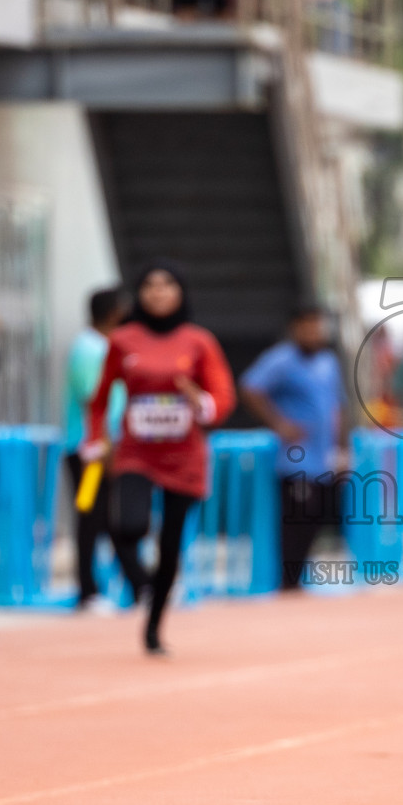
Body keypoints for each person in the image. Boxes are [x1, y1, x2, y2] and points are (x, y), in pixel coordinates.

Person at [85, 263, 235, 655]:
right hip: (137, 451)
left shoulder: (199, 342)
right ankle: (141, 581)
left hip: (183, 455)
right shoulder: (123, 340)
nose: (158, 292)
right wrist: (94, 439)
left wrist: (200, 403)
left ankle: (153, 627)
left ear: (181, 292)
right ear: (140, 294)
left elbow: (223, 396)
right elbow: (99, 399)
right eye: (150, 285)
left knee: (170, 545)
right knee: (127, 524)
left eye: (167, 285)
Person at [241, 306, 348, 592]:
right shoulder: (281, 360)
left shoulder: (328, 361)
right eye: (308, 327)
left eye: (318, 327)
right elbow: (251, 388)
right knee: (296, 518)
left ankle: (297, 577)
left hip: (322, 455)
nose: (314, 333)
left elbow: (337, 407)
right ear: (295, 328)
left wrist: (341, 447)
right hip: (295, 457)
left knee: (316, 516)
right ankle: (288, 581)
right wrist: (279, 423)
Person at [64, 287, 128, 607]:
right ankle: (87, 590)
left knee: (108, 515)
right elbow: (93, 401)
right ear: (115, 311)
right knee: (90, 516)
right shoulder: (89, 350)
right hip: (90, 452)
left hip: (102, 447)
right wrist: (105, 444)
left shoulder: (104, 346)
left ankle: (132, 580)